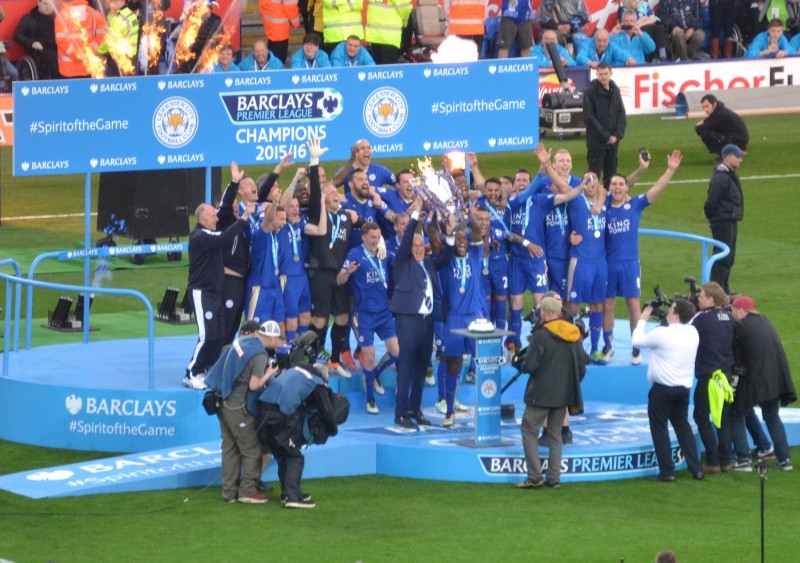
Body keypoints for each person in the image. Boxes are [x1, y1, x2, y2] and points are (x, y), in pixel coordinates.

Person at [603, 150, 683, 365]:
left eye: (621, 184)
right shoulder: (602, 208)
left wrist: (670, 170)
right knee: (607, 306)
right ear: (609, 188)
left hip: (630, 265)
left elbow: (656, 189)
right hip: (608, 265)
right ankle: (607, 346)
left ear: (626, 187)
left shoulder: (635, 205)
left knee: (633, 307)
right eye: (614, 184)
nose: (618, 187)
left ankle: (636, 348)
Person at [390, 198, 455, 429]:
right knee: (406, 367)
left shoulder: (427, 263)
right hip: (408, 320)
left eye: (421, 247)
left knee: (420, 368)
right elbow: (408, 237)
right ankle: (400, 412)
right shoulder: (401, 262)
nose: (418, 249)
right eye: (414, 247)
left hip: (427, 321)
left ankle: (414, 409)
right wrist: (416, 211)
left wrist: (450, 234)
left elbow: (446, 256)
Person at [205, 321, 283, 504]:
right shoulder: (260, 355)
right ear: (271, 337)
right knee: (252, 449)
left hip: (222, 401)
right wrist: (269, 374)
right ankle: (248, 491)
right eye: (277, 338)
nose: (278, 342)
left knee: (230, 448)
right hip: (238, 406)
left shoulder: (241, 342)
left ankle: (230, 492)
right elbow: (254, 385)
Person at [515, 296, 587, 489]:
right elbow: (582, 366)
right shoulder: (573, 334)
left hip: (540, 394)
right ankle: (554, 478)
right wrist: (569, 384)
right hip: (563, 396)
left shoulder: (541, 335)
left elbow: (530, 365)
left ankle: (534, 476)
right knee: (555, 434)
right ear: (559, 313)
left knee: (529, 430)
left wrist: (520, 364)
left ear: (544, 313)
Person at [632, 299, 704, 482]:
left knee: (659, 428)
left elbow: (636, 341)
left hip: (662, 390)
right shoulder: (693, 332)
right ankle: (696, 468)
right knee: (682, 426)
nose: (667, 312)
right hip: (683, 388)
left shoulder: (661, 334)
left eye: (670, 310)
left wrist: (644, 318)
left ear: (676, 314)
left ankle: (667, 472)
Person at [185, 201, 254, 390]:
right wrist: (244, 217)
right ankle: (191, 372)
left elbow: (222, 233)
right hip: (201, 292)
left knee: (218, 334)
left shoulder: (209, 233)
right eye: (213, 215)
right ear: (203, 218)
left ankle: (203, 368)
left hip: (214, 292)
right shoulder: (199, 235)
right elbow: (224, 237)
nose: (217, 217)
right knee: (207, 335)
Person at [337, 223, 399, 414]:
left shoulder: (384, 253)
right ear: (364, 237)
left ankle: (375, 375)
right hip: (363, 314)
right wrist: (348, 272)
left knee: (397, 353)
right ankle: (370, 398)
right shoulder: (354, 255)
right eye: (373, 237)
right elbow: (339, 280)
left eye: (379, 237)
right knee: (369, 357)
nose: (376, 240)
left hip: (384, 312)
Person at [258, 362, 338, 508]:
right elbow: (327, 410)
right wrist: (333, 429)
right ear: (323, 377)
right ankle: (292, 497)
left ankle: (289, 492)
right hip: (282, 413)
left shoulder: (296, 370)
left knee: (283, 455)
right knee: (294, 455)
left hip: (264, 410)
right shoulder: (316, 381)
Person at [731, 296, 796, 471]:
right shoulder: (766, 322)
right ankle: (785, 460)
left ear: (740, 310)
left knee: (736, 413)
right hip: (774, 381)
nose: (731, 314)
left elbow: (734, 354)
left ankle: (743, 460)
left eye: (732, 310)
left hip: (754, 381)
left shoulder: (742, 327)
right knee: (772, 417)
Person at [691, 282, 737, 474]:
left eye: (701, 296)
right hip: (725, 376)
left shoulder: (702, 319)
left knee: (701, 416)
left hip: (708, 376)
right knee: (723, 419)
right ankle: (726, 460)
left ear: (711, 298)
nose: (698, 299)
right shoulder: (729, 317)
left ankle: (713, 460)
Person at [704, 144, 745, 295]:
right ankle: (716, 291)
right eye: (737, 156)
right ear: (727, 156)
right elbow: (712, 200)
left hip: (729, 218)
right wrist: (709, 213)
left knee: (729, 255)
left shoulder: (728, 174)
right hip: (723, 220)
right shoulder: (722, 177)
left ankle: (723, 288)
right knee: (723, 255)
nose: (740, 159)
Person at [584, 62, 627, 190]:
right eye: (600, 74)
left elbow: (621, 113)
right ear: (596, 74)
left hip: (613, 143)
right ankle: (591, 201)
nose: (603, 77)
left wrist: (617, 135)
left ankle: (609, 201)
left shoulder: (615, 91)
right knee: (593, 176)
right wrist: (606, 136)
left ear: (611, 74)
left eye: (605, 74)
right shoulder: (590, 92)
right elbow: (589, 117)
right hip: (597, 143)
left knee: (611, 176)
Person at [55, 0, 107, 78]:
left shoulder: (61, 16)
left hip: (68, 69)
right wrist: (89, 54)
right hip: (90, 68)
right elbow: (100, 38)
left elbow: (61, 40)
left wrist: (77, 55)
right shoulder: (96, 15)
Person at [13, 0, 60, 80]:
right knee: (51, 58)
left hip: (58, 50)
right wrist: (31, 43)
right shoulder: (29, 18)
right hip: (38, 51)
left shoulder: (58, 19)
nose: (48, 7)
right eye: (45, 4)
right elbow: (17, 35)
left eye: (50, 4)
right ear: (39, 3)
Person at [98, 0, 139, 76]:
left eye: (112, 1)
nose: (109, 4)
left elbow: (108, 41)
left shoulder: (119, 18)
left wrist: (97, 51)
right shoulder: (130, 15)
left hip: (118, 60)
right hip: (131, 57)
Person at [259, 0, 301, 64]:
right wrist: (296, 23)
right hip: (280, 29)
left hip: (270, 26)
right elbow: (290, 7)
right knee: (278, 60)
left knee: (272, 57)